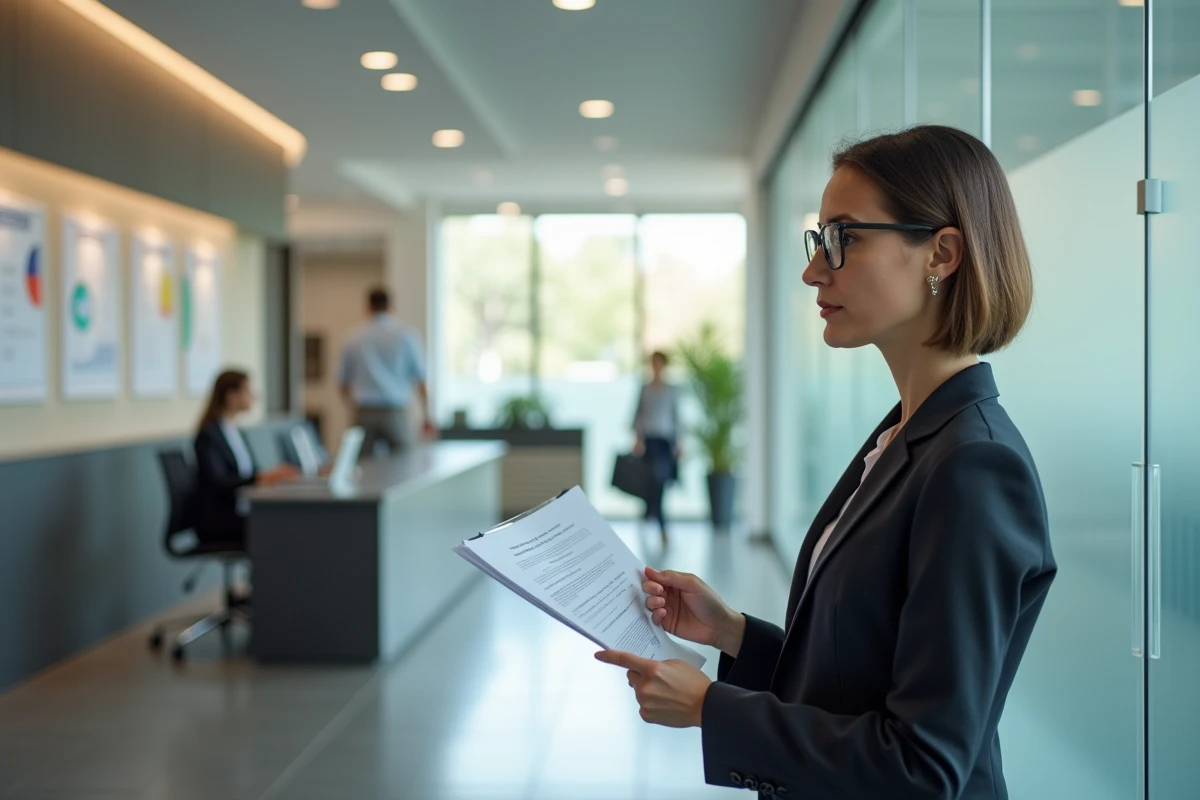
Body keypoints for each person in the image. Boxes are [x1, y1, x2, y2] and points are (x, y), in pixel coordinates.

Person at [595, 125, 1057, 799]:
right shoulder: (903, 435)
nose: (814, 270)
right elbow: (859, 680)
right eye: (818, 240)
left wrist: (710, 707)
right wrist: (732, 633)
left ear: (942, 253)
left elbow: (923, 767)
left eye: (843, 238)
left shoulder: (974, 465)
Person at [193, 370, 297, 548]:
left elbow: (250, 471)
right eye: (248, 391)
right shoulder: (209, 435)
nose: (254, 397)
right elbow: (217, 482)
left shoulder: (236, 432)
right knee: (281, 525)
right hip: (220, 519)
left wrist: (271, 476)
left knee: (287, 518)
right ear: (231, 396)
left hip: (240, 510)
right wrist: (260, 478)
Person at [339, 287, 436, 457]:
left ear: (367, 307)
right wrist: (427, 415)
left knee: (364, 465)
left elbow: (343, 382)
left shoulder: (353, 338)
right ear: (392, 307)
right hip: (395, 412)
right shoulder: (406, 336)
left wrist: (353, 406)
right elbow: (420, 379)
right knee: (403, 464)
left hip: (364, 412)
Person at [632, 350, 681, 546]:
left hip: (665, 442)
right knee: (653, 481)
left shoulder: (672, 390)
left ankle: (650, 515)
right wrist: (638, 439)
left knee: (661, 481)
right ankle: (661, 526)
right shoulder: (644, 388)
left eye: (659, 362)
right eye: (653, 362)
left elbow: (677, 417)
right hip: (649, 441)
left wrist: (679, 442)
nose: (656, 366)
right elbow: (637, 415)